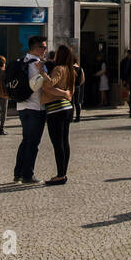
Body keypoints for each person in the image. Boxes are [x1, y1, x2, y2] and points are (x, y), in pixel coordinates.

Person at [13, 36, 50, 184]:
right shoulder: (37, 64)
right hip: (36, 107)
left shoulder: (22, 61)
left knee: (26, 140)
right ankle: (28, 174)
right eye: (44, 47)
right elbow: (45, 84)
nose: (45, 50)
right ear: (37, 48)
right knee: (33, 142)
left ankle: (18, 173)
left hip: (22, 106)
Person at [42, 45, 76, 185]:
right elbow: (71, 91)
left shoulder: (59, 69)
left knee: (57, 143)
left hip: (56, 108)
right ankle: (63, 173)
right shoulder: (71, 70)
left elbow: (49, 84)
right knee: (64, 141)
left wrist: (42, 72)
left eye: (56, 53)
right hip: (67, 107)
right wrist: (65, 94)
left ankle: (60, 175)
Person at [72, 56, 84, 123]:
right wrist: (79, 84)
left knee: (71, 102)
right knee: (77, 102)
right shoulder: (80, 68)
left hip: (71, 87)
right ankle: (78, 117)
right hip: (77, 87)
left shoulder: (70, 68)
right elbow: (83, 79)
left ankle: (71, 117)